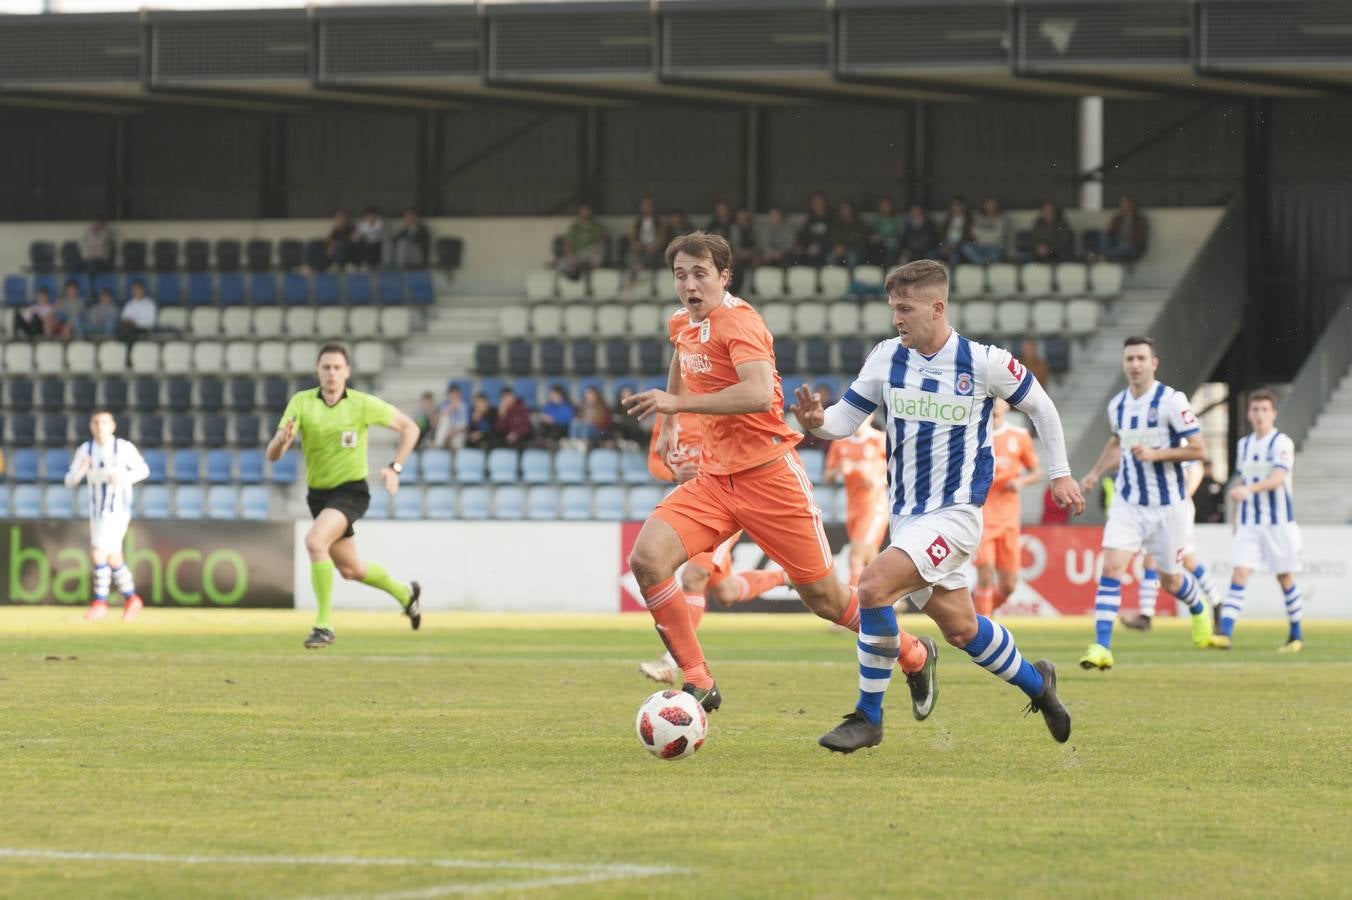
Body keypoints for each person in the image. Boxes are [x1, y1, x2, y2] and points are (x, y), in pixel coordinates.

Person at [624, 233, 936, 718]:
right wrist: (667, 422)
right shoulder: (683, 323)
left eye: (700, 273)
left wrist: (677, 404)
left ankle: (915, 652)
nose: (689, 284)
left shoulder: (741, 323)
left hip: (770, 477)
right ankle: (698, 680)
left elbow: (753, 393)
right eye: (681, 274)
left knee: (827, 600)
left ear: (725, 277)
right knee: (647, 560)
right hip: (713, 480)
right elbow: (681, 359)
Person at [794, 259, 1080, 752]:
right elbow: (844, 419)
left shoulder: (983, 361)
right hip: (908, 518)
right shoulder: (886, 357)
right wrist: (816, 421)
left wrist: (1059, 474)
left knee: (873, 586)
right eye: (893, 309)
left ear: (937, 307)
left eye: (904, 308)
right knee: (963, 629)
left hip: (956, 514)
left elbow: (1042, 407)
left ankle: (868, 717)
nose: (896, 319)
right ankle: (1040, 684)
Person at [267, 342, 423, 649]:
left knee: (314, 541)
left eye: (338, 368)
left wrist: (395, 467)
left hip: (351, 492)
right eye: (326, 367)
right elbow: (273, 455)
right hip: (320, 496)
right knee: (352, 570)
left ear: (347, 372)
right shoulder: (301, 402)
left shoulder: (362, 404)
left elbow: (410, 428)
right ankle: (406, 595)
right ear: (318, 371)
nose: (332, 373)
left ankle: (323, 626)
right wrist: (281, 441)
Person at [1075, 336, 1213, 670]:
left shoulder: (1171, 401)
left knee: (1171, 581)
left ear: (1154, 362)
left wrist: (1157, 454)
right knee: (1111, 568)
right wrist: (1094, 473)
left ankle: (1198, 608)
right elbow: (1118, 441)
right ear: (1124, 364)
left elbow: (1199, 450)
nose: (1135, 364)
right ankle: (1101, 647)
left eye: (1141, 358)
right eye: (1130, 359)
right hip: (1128, 503)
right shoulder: (1118, 405)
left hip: (1169, 507)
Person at [636, 411, 789, 685]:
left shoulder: (720, 400)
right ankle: (784, 576)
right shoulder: (669, 409)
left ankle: (671, 661)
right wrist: (675, 471)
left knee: (693, 576)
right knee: (726, 592)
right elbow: (655, 462)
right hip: (690, 500)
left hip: (723, 501)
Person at [1216, 389, 1305, 652]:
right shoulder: (1244, 445)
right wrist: (1235, 515)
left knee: (1285, 577)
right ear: (1249, 413)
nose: (1259, 415)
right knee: (1239, 572)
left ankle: (1296, 634)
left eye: (1265, 410)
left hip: (1278, 523)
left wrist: (1249, 491)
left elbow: (1278, 477)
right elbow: (1244, 479)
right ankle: (1225, 634)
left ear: (1273, 413)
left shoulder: (1281, 443)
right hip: (1250, 523)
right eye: (1255, 410)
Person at [64, 410, 151, 622]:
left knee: (97, 553)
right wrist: (81, 471)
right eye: (95, 422)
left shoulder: (122, 448)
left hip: (117, 509)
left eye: (104, 423)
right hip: (96, 511)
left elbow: (143, 470)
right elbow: (69, 480)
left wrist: (124, 477)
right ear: (90, 426)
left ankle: (100, 602)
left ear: (112, 426)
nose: (99, 427)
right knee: (114, 557)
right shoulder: (85, 450)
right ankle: (132, 599)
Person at [1118, 461, 1220, 631]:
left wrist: (1184, 496)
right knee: (1151, 560)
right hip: (1159, 509)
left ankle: (1216, 603)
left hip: (1176, 510)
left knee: (1187, 560)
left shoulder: (1180, 438)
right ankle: (1146, 615)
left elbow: (1196, 468)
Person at [973, 399, 1042, 617]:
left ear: (1007, 405)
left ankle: (976, 615)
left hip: (1009, 519)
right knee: (985, 573)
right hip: (981, 516)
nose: (994, 403)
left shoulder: (1019, 435)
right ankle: (982, 631)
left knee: (1009, 585)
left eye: (998, 399)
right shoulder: (972, 435)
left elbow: (1036, 471)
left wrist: (1021, 482)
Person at [824, 419, 889, 588]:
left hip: (875, 507)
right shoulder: (840, 443)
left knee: (855, 556)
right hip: (853, 507)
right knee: (870, 558)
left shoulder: (879, 439)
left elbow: (895, 470)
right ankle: (887, 597)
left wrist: (879, 480)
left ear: (871, 416)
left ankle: (854, 602)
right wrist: (839, 469)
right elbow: (827, 477)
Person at [626, 196, 668, 285]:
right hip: (641, 246)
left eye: (649, 205)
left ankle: (650, 282)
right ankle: (635, 277)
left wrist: (655, 246)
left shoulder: (659, 221)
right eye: (645, 205)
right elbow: (632, 236)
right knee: (632, 255)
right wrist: (638, 244)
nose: (647, 208)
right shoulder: (637, 221)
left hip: (655, 247)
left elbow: (662, 237)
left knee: (653, 256)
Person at [559, 203, 607, 279]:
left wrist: (596, 243)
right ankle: (574, 273)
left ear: (591, 212)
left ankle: (588, 269)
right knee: (562, 262)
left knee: (599, 247)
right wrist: (570, 255)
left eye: (587, 210)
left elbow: (602, 238)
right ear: (579, 212)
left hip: (590, 252)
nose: (585, 213)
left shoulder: (597, 226)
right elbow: (568, 243)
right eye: (583, 211)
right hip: (577, 254)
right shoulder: (574, 227)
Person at [1103, 193, 1149, 262]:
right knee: (1102, 235)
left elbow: (1140, 238)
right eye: (1123, 202)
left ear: (1132, 203)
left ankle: (1103, 255)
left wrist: (1128, 243)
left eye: (1126, 202)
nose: (1124, 205)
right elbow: (1110, 234)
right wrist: (1108, 230)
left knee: (1125, 248)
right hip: (1118, 245)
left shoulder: (1140, 219)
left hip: (1133, 247)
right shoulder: (1117, 219)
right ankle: (1105, 254)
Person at [795, 192, 833, 267]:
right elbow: (802, 236)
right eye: (815, 202)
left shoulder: (832, 219)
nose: (818, 205)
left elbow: (833, 238)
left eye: (820, 202)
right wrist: (804, 247)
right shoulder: (809, 220)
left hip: (826, 251)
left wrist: (820, 247)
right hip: (809, 251)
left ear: (825, 203)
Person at [934, 197, 974, 268]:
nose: (956, 208)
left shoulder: (968, 220)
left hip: (960, 245)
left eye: (958, 205)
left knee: (953, 256)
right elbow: (941, 236)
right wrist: (942, 245)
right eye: (954, 205)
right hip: (947, 243)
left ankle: (952, 278)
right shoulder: (947, 220)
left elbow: (967, 237)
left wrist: (953, 246)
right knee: (932, 254)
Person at [966, 197, 1007, 265]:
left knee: (996, 255)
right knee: (966, 247)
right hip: (979, 247)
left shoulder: (1001, 220)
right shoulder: (978, 218)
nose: (990, 207)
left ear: (996, 207)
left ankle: (984, 262)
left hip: (994, 247)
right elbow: (972, 232)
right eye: (987, 205)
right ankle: (982, 262)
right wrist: (988, 234)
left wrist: (981, 235)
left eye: (992, 205)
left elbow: (997, 236)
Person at [832, 201, 870, 269]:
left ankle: (850, 278)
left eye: (846, 208)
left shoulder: (859, 224)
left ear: (852, 210)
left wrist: (845, 247)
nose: (844, 211)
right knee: (830, 257)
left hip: (856, 250)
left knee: (851, 257)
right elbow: (834, 238)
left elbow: (860, 241)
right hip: (840, 250)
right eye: (842, 209)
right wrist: (838, 246)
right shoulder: (837, 224)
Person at [868, 196, 904, 267]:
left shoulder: (896, 218)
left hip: (892, 242)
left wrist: (884, 237)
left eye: (887, 206)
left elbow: (899, 233)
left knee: (891, 248)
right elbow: (872, 232)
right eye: (883, 206)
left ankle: (888, 268)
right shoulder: (877, 219)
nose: (885, 208)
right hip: (880, 243)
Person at [433, 384, 469, 449]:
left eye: (456, 394)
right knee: (444, 418)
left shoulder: (464, 406)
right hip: (447, 430)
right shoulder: (445, 404)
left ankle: (443, 445)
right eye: (452, 394)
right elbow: (436, 422)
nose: (454, 396)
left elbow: (465, 426)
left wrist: (454, 432)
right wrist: (449, 409)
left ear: (459, 394)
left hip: (459, 431)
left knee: (456, 441)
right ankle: (439, 444)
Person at [1193, 459, 1225, 523]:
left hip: (1212, 519)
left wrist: (1218, 515)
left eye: (1209, 468)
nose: (1207, 470)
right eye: (1205, 468)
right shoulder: (1195, 484)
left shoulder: (1217, 485)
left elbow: (1221, 502)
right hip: (1197, 519)